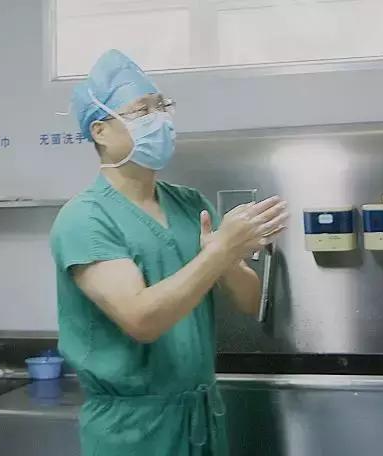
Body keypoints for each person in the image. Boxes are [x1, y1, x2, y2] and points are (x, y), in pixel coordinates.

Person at [50, 49, 288, 456]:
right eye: (142, 110)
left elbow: (251, 302)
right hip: (135, 431)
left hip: (201, 418)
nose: (159, 119)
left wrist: (226, 257)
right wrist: (219, 253)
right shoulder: (85, 219)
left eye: (162, 106)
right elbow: (141, 319)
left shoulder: (188, 204)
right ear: (100, 131)